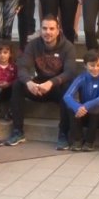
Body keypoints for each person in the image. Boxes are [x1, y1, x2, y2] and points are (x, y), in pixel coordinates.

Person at [7, 15, 78, 148]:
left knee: (68, 87)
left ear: (58, 30)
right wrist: (29, 82)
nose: (48, 32)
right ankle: (18, 131)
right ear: (40, 30)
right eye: (44, 28)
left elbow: (70, 72)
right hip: (38, 87)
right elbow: (22, 67)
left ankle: (63, 133)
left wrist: (51, 83)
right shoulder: (33, 45)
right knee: (18, 85)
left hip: (57, 87)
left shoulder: (68, 47)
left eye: (51, 29)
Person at [63, 51, 99, 151]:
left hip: (95, 115)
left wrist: (85, 106)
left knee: (97, 108)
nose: (95, 68)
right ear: (85, 65)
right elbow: (67, 96)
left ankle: (89, 141)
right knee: (71, 107)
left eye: (98, 65)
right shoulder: (81, 78)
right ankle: (77, 139)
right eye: (92, 65)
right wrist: (77, 107)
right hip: (81, 113)